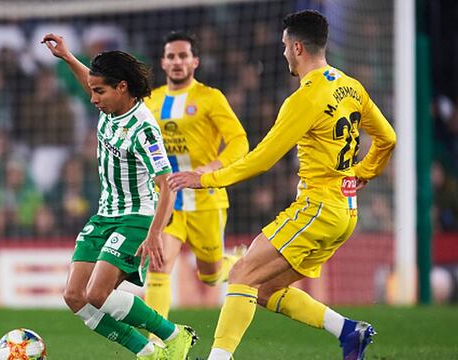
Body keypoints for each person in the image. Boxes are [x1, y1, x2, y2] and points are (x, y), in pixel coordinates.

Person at [168, 10, 397, 360]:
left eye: (285, 47)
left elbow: (262, 158)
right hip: (345, 211)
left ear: (298, 47)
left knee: (241, 273)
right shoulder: (351, 86)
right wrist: (362, 173)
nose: (284, 53)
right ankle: (349, 331)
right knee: (263, 289)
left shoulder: (304, 98)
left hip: (317, 206)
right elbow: (388, 139)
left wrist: (206, 179)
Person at [42, 33, 196, 360]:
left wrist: (155, 233)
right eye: (93, 90)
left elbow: (167, 184)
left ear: (122, 88)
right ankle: (148, 352)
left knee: (97, 294)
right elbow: (92, 81)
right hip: (104, 215)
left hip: (135, 217)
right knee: (74, 296)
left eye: (99, 91)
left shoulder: (144, 128)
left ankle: (175, 335)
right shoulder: (109, 108)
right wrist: (69, 57)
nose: (93, 98)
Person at [143, 31, 249, 326]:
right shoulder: (151, 100)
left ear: (195, 61)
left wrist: (209, 168)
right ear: (163, 63)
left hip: (206, 199)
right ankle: (157, 345)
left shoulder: (210, 98)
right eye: (171, 56)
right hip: (168, 200)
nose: (177, 61)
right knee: (158, 267)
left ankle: (235, 262)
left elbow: (240, 141)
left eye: (183, 56)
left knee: (211, 275)